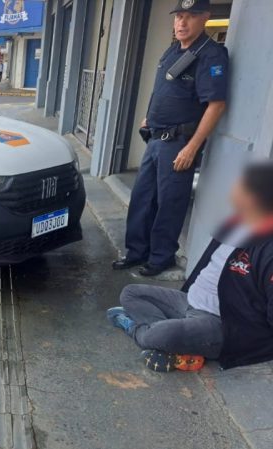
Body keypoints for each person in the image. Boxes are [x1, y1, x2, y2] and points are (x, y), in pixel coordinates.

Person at [107, 161, 273, 372]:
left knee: (160, 335)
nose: (231, 189)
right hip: (190, 301)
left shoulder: (268, 246)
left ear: (254, 197)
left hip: (221, 322)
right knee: (130, 293)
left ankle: (138, 330)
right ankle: (173, 342)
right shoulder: (236, 223)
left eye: (239, 185)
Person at [112, 0, 229, 276]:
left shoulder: (211, 55)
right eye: (178, 16)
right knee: (142, 199)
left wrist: (192, 148)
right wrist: (148, 117)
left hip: (179, 143)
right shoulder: (173, 50)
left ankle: (161, 257)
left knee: (170, 203)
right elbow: (162, 90)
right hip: (155, 139)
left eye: (190, 16)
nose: (181, 23)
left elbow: (216, 105)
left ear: (205, 17)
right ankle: (136, 252)